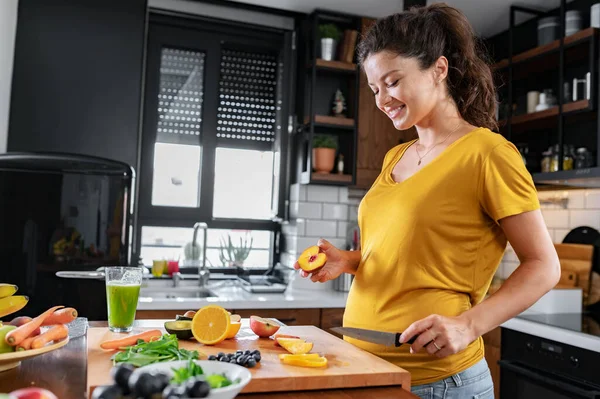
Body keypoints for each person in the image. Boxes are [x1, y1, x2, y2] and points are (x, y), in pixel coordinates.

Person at [294, 3, 560, 398]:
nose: (383, 99)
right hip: (369, 367)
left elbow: (544, 266)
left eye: (393, 81)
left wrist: (468, 325)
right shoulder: (396, 157)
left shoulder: (487, 153)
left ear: (439, 69)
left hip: (439, 383)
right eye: (374, 89)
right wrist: (349, 261)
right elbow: (402, 253)